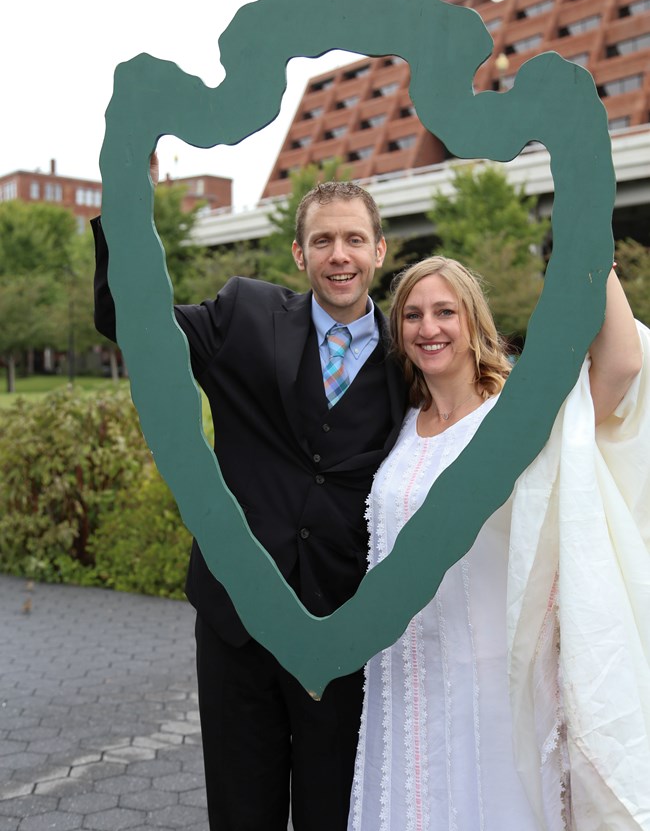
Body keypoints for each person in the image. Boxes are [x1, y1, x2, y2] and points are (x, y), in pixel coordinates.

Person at [92, 161, 407, 831]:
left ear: (380, 250)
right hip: (237, 622)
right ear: (299, 252)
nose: (339, 255)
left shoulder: (415, 352)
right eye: (322, 240)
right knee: (240, 813)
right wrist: (124, 206)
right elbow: (132, 321)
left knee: (334, 813)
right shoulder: (245, 313)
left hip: (344, 627)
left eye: (354, 239)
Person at [348, 256, 646, 831]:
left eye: (444, 312)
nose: (427, 328)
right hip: (400, 674)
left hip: (489, 679)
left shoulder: (516, 418)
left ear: (473, 322)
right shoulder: (402, 421)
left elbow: (623, 365)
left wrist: (593, 255)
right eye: (411, 315)